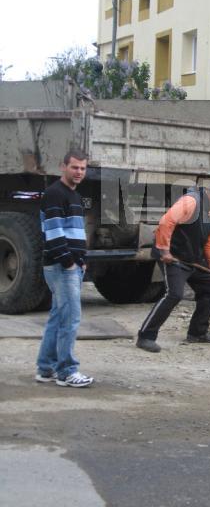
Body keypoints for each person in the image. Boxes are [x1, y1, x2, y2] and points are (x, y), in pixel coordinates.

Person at [136, 177, 210, 353]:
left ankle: (197, 333)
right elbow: (166, 221)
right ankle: (146, 336)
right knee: (174, 294)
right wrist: (165, 251)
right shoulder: (191, 202)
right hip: (172, 257)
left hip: (192, 260)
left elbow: (208, 241)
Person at [36, 150, 94, 388]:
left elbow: (74, 232)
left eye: (82, 168)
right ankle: (67, 372)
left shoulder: (73, 195)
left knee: (58, 316)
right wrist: (69, 261)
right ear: (63, 167)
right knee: (71, 318)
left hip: (70, 265)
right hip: (61, 266)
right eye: (74, 167)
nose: (79, 172)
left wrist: (81, 259)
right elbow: (54, 232)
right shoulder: (54, 194)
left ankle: (45, 368)